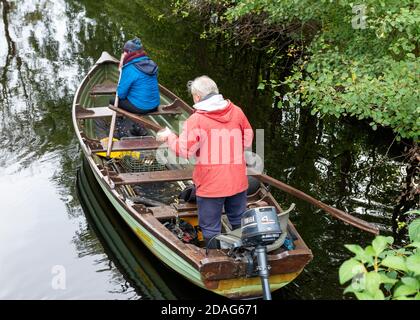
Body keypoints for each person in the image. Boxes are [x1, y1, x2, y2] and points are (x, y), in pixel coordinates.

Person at [157, 76, 254, 248]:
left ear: (197, 97)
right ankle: (247, 251)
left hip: (211, 186)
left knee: (210, 227)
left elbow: (185, 151)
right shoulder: (237, 111)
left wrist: (170, 136)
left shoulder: (197, 120)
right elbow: (247, 140)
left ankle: (216, 262)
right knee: (238, 219)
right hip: (238, 180)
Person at [110, 37, 160, 136]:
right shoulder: (151, 63)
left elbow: (121, 94)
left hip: (142, 107)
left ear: (129, 53)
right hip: (155, 105)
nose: (123, 54)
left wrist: (123, 69)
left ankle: (122, 128)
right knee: (132, 95)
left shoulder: (129, 68)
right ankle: (137, 124)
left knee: (112, 101)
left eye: (125, 52)